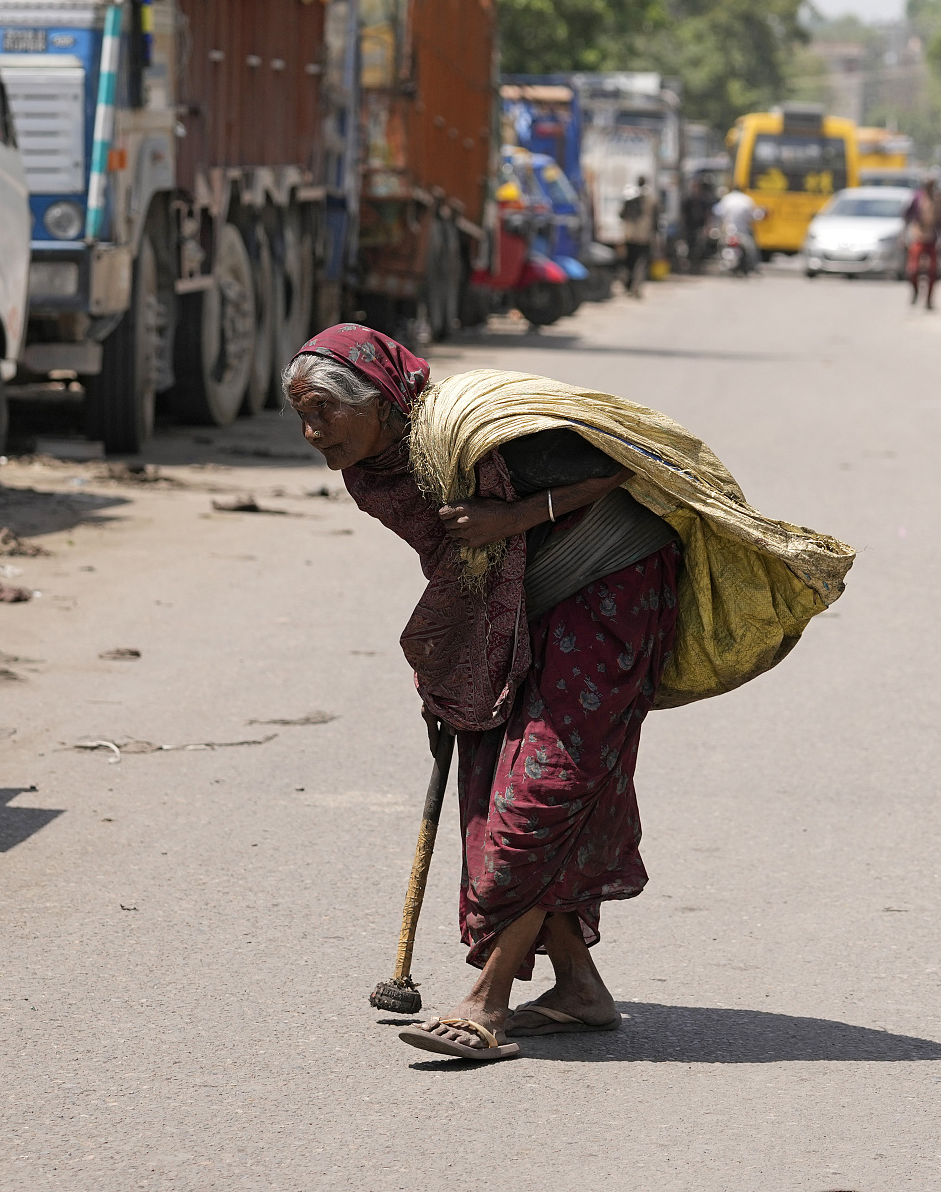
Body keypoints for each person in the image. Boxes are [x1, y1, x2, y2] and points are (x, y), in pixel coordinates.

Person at [285, 325, 853, 1064]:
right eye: (300, 413)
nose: (310, 430)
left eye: (324, 409)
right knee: (494, 773)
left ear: (380, 399)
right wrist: (452, 672)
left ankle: (487, 1000)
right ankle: (579, 988)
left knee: (549, 782)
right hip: (529, 598)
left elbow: (620, 465)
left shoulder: (472, 426)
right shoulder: (374, 471)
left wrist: (519, 514)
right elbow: (458, 560)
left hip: (613, 580)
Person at [902, 177, 941, 308]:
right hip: (918, 236)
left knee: (932, 271)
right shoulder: (917, 198)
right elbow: (907, 215)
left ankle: (929, 299)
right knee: (913, 269)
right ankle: (915, 290)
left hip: (931, 238)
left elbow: (939, 220)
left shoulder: (937, 200)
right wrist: (906, 233)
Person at [712, 187, 764, 274]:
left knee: (719, 246)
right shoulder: (746, 200)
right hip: (742, 231)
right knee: (752, 249)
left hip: (727, 231)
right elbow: (752, 216)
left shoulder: (726, 199)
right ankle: (753, 266)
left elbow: (717, 213)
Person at [617, 179, 654, 298]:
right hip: (644, 236)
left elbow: (621, 215)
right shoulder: (651, 199)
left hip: (630, 235)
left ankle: (629, 284)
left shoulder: (630, 196)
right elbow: (656, 219)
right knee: (641, 262)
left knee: (629, 261)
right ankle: (636, 286)